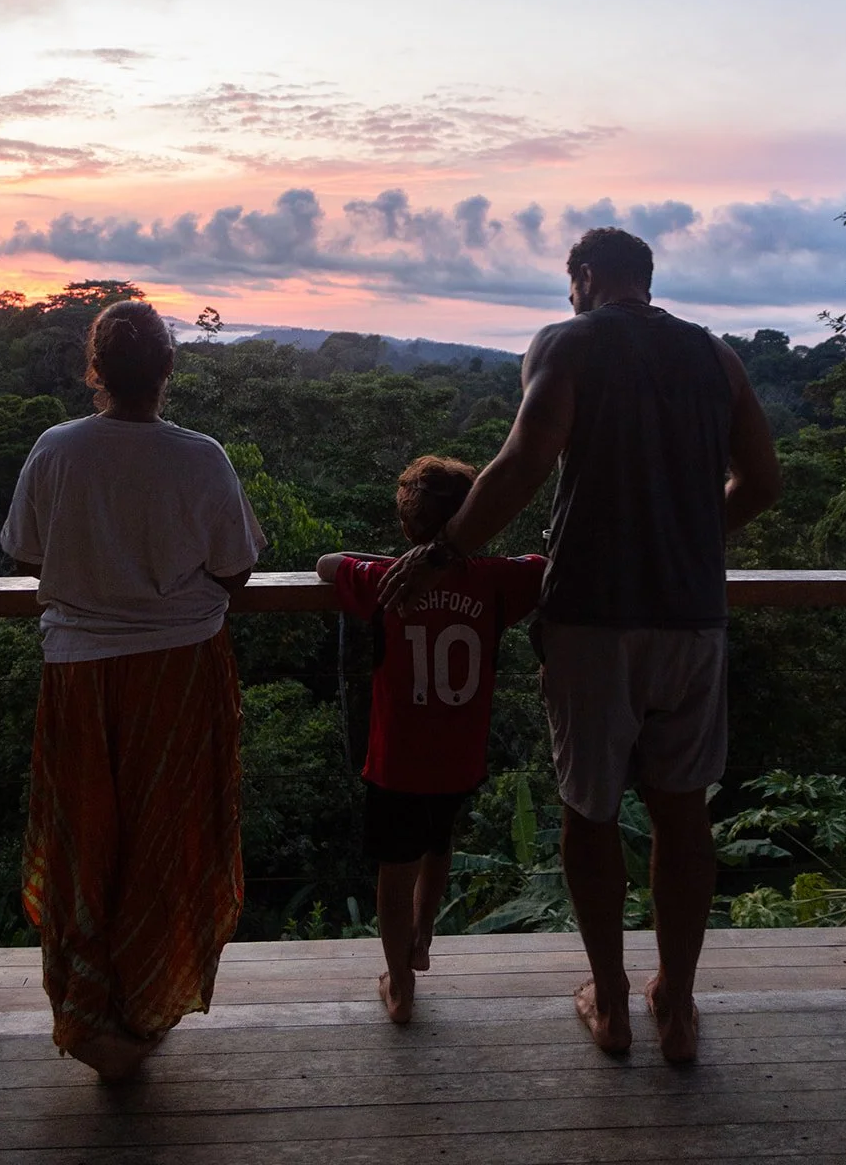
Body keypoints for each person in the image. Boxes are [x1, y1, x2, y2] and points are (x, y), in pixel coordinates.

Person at [379, 228, 781, 1062]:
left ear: (586, 277)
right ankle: (675, 1001)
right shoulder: (715, 356)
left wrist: (441, 551)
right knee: (682, 811)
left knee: (589, 810)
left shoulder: (565, 344)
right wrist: (688, 537)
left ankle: (610, 1000)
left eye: (570, 283)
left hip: (592, 617)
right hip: (691, 616)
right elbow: (763, 482)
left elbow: (522, 462)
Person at [1, 300, 266, 1081]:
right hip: (179, 669)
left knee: (84, 837)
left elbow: (25, 552)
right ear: (166, 373)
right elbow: (236, 568)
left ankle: (88, 1015)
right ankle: (146, 1002)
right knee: (169, 837)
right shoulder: (200, 456)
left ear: (95, 372)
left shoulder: (57, 450)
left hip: (79, 671)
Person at [317, 456, 545, 1024]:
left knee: (394, 873)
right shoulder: (498, 580)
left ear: (404, 528)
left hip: (397, 762)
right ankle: (424, 935)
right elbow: (544, 565)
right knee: (438, 846)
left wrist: (397, 561)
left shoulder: (381, 582)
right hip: (459, 758)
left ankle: (399, 986)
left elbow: (326, 564)